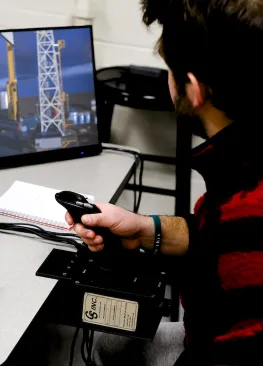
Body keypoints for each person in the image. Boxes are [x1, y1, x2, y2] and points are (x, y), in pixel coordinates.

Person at [66, 0, 263, 364]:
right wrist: (144, 229)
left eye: (168, 70)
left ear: (192, 89)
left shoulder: (247, 212)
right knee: (112, 343)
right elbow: (211, 234)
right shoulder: (242, 169)